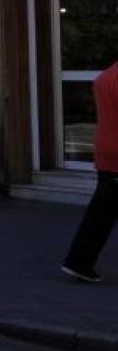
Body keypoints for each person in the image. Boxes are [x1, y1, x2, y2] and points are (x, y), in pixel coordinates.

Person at [61, 60, 118, 283]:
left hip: (106, 151)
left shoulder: (106, 75)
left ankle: (78, 263)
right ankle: (78, 263)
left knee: (101, 213)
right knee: (101, 213)